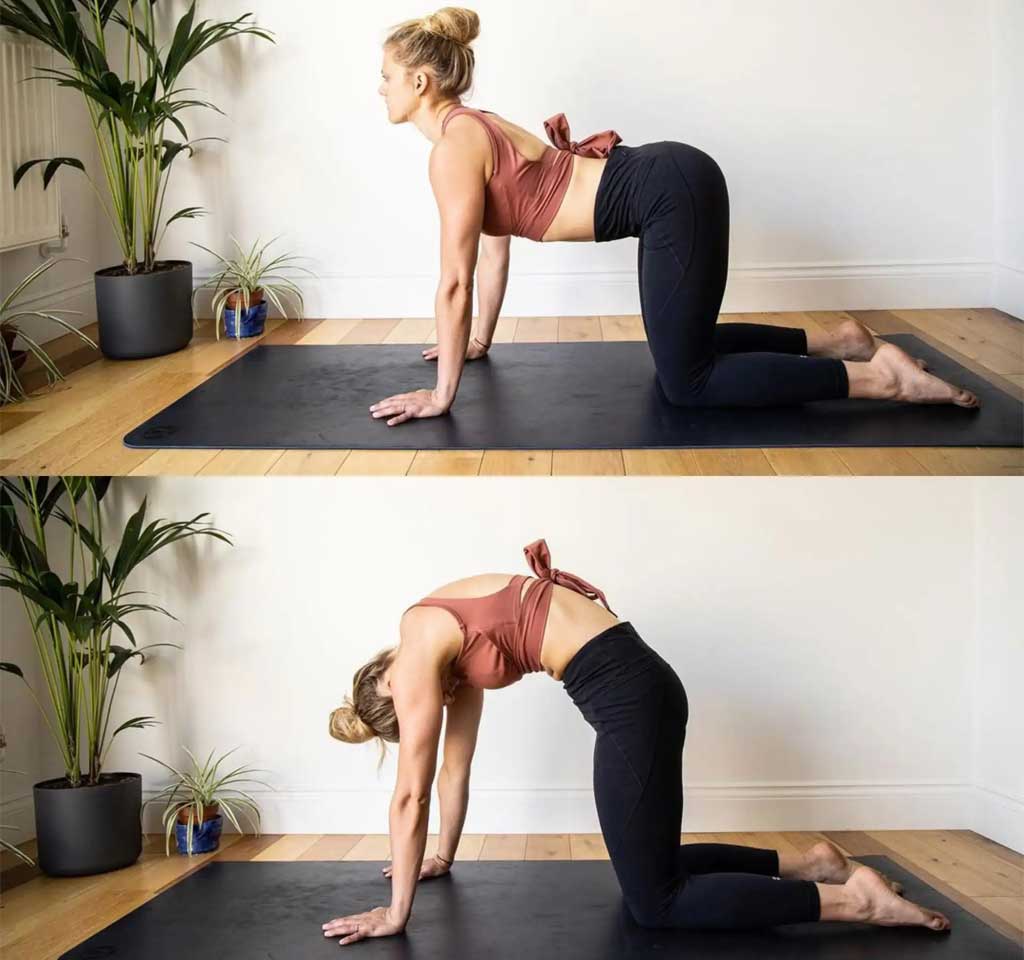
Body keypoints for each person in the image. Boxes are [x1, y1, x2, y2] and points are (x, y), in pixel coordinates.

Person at [322, 538, 952, 946]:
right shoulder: (443, 645)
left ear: (391, 690)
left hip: (630, 698)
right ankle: (814, 863)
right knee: (654, 868)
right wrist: (442, 860)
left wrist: (395, 914)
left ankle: (853, 902)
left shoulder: (416, 657)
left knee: (655, 903)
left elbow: (412, 795)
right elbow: (454, 774)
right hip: (640, 684)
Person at [368, 7, 978, 427]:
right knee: (681, 350)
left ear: (420, 81)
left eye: (387, 77)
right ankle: (840, 339)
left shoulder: (454, 148)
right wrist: (477, 342)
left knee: (687, 383)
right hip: (673, 182)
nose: (381, 88)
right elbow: (494, 248)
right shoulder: (476, 127)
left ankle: (883, 380)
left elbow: (454, 280)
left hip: (669, 194)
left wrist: (442, 395)